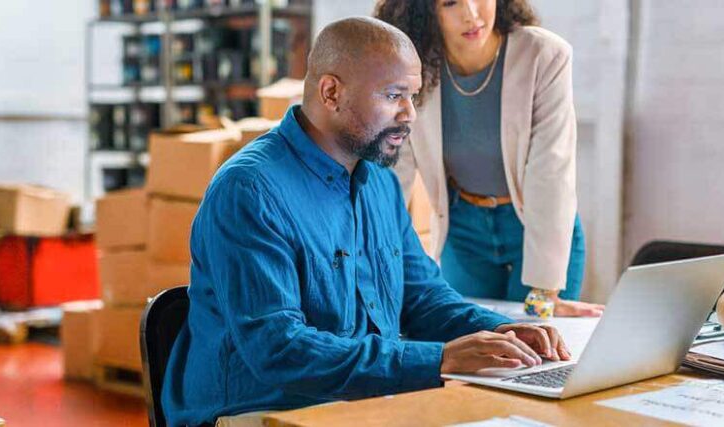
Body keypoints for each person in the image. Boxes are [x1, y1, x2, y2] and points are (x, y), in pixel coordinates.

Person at [162, 17, 571, 426]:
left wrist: (504, 332)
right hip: (259, 411)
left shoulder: (379, 184)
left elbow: (423, 299)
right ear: (331, 92)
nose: (409, 114)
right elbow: (279, 350)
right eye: (394, 95)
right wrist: (440, 358)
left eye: (412, 96)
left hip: (356, 405)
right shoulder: (249, 191)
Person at [374, 0, 604, 316]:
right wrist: (378, 272)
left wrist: (544, 292)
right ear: (424, 10)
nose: (471, 13)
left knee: (536, 344)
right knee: (474, 345)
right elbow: (391, 176)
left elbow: (551, 171)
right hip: (463, 229)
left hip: (537, 224)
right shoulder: (413, 66)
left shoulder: (545, 55)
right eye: (451, 3)